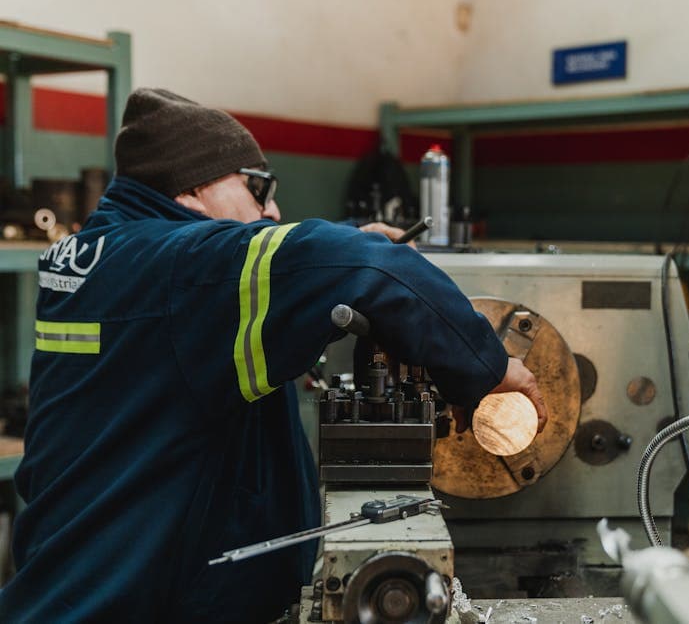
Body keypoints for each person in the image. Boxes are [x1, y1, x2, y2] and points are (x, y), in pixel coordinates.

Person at [0, 88, 547, 623]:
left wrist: (344, 244)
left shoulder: (96, 257)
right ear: (192, 190)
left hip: (74, 587)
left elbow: (205, 291)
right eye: (259, 189)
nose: (274, 208)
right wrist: (489, 367)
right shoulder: (181, 274)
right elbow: (364, 267)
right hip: (133, 603)